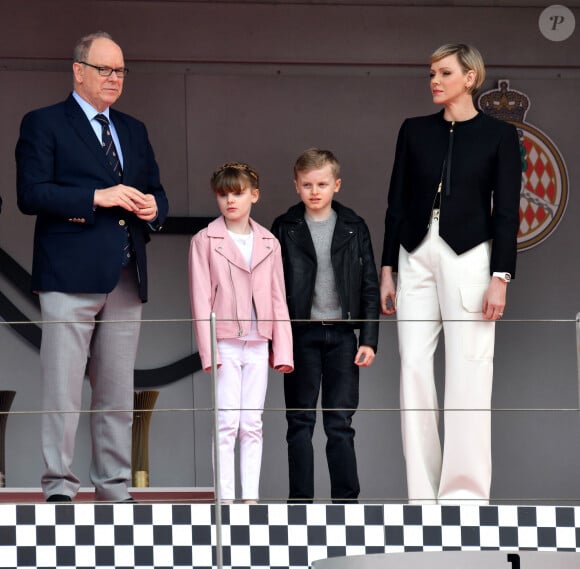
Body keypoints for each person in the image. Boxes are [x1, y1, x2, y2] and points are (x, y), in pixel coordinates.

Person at [15, 31, 168, 502]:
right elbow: (31, 194)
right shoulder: (44, 123)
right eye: (105, 69)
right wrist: (95, 198)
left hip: (125, 274)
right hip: (68, 274)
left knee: (118, 395)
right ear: (78, 70)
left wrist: (151, 208)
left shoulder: (134, 129)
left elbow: (159, 194)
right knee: (63, 390)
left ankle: (114, 487)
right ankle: (59, 485)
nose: (114, 78)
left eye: (120, 70)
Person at [380, 43, 521, 504]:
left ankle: (465, 497)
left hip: (471, 257)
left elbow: (506, 214)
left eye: (444, 72)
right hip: (414, 254)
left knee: (470, 372)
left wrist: (501, 275)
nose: (434, 80)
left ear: (470, 78)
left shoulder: (499, 135)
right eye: (431, 73)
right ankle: (422, 495)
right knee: (414, 371)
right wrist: (387, 268)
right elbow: (395, 203)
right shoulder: (414, 131)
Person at [271, 148, 379, 503]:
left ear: (337, 184)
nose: (314, 191)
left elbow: (369, 285)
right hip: (301, 334)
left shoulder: (353, 226)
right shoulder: (285, 227)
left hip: (344, 337)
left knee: (340, 424)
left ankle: (346, 503)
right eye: (307, 184)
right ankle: (300, 503)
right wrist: (278, 339)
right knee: (299, 424)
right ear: (296, 186)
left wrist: (369, 339)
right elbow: (272, 287)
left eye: (322, 184)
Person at [189, 162, 293, 504]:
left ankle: (250, 500)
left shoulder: (269, 242)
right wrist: (209, 351)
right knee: (226, 424)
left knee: (253, 424)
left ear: (254, 195)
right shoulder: (205, 240)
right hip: (225, 343)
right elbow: (200, 299)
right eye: (223, 194)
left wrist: (284, 351)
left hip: (259, 342)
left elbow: (279, 298)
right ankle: (225, 500)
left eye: (238, 193)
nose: (230, 200)